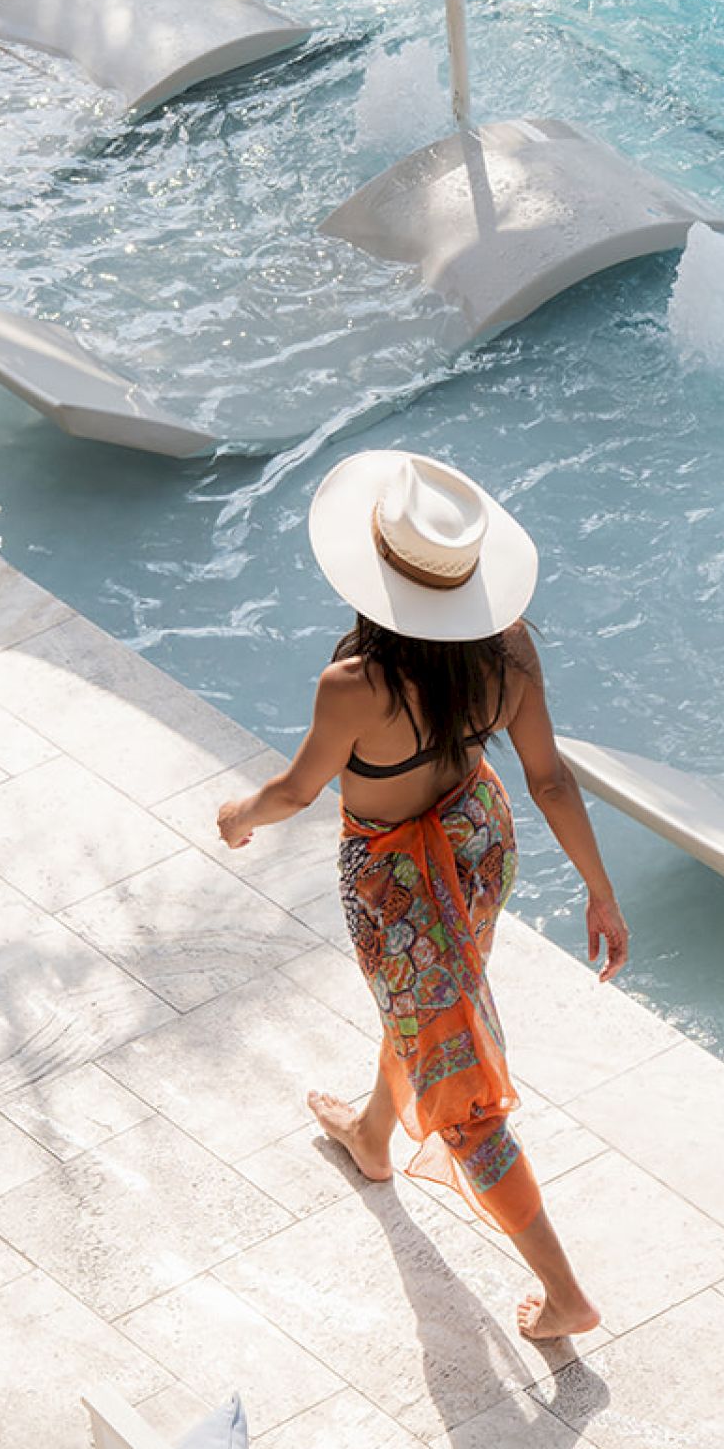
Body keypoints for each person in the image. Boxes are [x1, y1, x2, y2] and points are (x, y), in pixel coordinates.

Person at [215, 450, 627, 1343]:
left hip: (396, 884)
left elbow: (296, 790)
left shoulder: (355, 685)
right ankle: (372, 1132)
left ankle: (566, 1292)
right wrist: (601, 891)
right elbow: (550, 779)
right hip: (479, 841)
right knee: (426, 1013)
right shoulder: (510, 652)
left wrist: (240, 813)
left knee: (460, 1089)